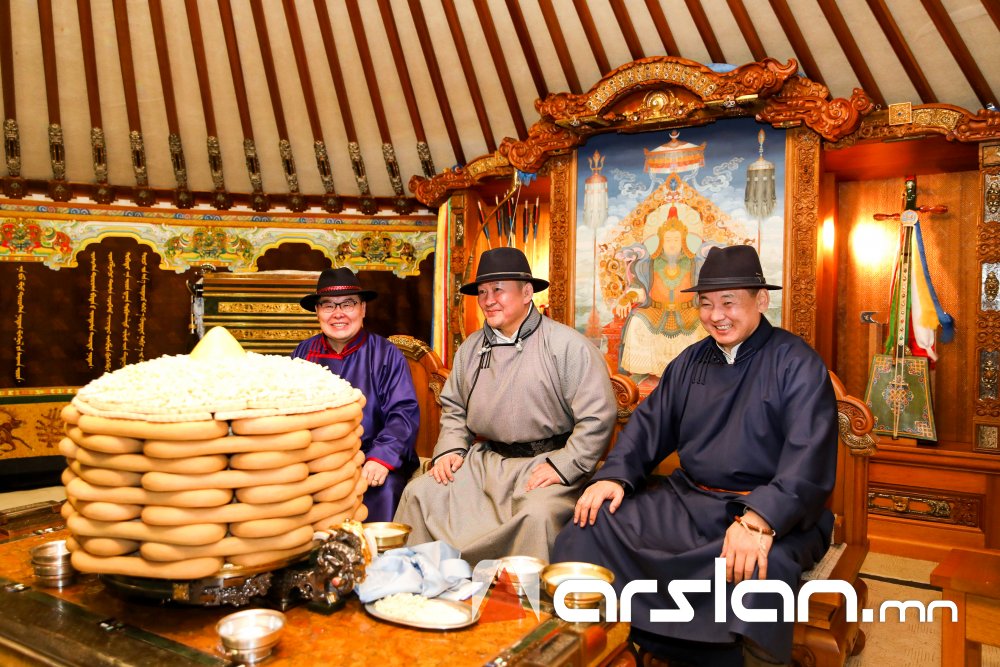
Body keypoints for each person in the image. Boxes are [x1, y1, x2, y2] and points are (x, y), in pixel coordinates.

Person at [553, 244, 838, 667]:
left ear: (761, 300)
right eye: (706, 304)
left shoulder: (797, 363)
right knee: (588, 527)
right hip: (690, 501)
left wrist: (759, 520)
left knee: (761, 567)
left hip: (771, 511)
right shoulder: (691, 361)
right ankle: (608, 648)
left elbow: (807, 460)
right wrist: (613, 475)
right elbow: (649, 426)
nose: (716, 315)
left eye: (729, 302)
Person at [394, 247, 616, 563]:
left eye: (498, 290)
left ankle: (517, 592)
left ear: (527, 293)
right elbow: (454, 407)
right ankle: (422, 580)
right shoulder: (471, 347)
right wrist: (451, 450)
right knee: (420, 492)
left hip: (545, 463)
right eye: (482, 292)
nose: (488, 300)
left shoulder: (568, 346)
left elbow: (597, 418)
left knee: (538, 514)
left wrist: (562, 465)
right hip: (485, 464)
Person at [293, 268, 419, 523]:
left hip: (370, 457)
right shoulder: (303, 353)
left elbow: (403, 413)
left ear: (363, 308)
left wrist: (381, 457)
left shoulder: (386, 354)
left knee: (384, 491)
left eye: (348, 304)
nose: (338, 313)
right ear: (317, 311)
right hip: (316, 461)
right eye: (328, 305)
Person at [614, 205, 704, 378]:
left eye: (676, 239)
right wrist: (628, 298)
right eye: (668, 239)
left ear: (683, 241)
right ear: (661, 241)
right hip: (655, 311)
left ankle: (696, 373)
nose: (672, 244)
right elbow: (640, 290)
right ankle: (641, 372)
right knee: (637, 321)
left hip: (688, 312)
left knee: (702, 324)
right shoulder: (650, 264)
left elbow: (704, 291)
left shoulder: (695, 264)